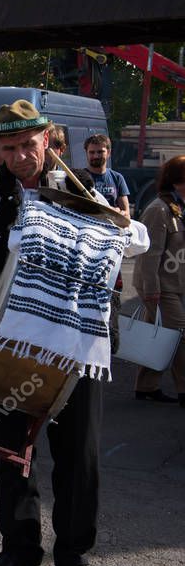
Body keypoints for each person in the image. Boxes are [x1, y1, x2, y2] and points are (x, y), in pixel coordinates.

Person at [0, 100, 149, 566]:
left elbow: (132, 240)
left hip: (75, 347)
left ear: (47, 140)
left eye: (29, 145)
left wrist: (121, 221)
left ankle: (74, 556)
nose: (20, 157)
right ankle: (21, 545)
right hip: (8, 341)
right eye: (9, 148)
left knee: (80, 453)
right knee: (11, 452)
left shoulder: (83, 188)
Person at [132, 155, 185, 405]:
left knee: (160, 337)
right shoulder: (158, 210)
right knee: (179, 336)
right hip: (162, 287)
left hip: (176, 284)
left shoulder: (178, 207)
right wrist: (151, 290)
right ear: (176, 182)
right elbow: (149, 255)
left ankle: (146, 387)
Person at [84, 133, 130, 216]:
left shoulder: (117, 178)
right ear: (86, 153)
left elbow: (126, 213)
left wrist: (120, 213)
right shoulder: (79, 178)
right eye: (91, 152)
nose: (95, 156)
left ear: (109, 152)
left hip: (111, 226)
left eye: (100, 152)